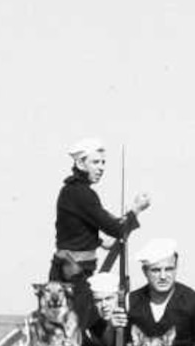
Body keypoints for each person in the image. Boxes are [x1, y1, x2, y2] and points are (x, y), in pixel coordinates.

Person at [49, 137, 151, 324]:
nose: (101, 167)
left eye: (103, 162)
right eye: (95, 162)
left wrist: (99, 242)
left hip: (68, 270)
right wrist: (136, 209)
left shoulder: (71, 191)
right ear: (80, 163)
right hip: (73, 273)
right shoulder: (82, 193)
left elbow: (74, 229)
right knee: (81, 324)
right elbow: (118, 229)